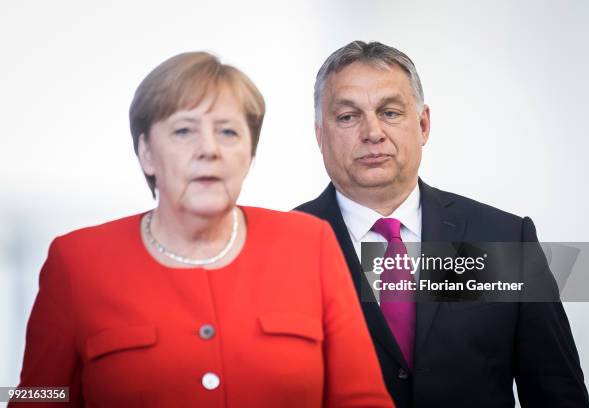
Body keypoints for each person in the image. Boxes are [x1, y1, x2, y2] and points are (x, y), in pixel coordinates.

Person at [11, 52, 393, 407]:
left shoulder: (311, 245)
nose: (209, 149)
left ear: (250, 154)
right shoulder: (77, 261)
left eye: (228, 132)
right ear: (146, 152)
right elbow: (38, 397)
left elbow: (362, 399)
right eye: (183, 131)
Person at [296, 41, 589, 407]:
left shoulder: (504, 239)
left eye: (390, 112)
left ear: (423, 125)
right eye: (347, 116)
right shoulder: (277, 249)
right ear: (319, 134)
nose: (372, 132)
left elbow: (558, 394)